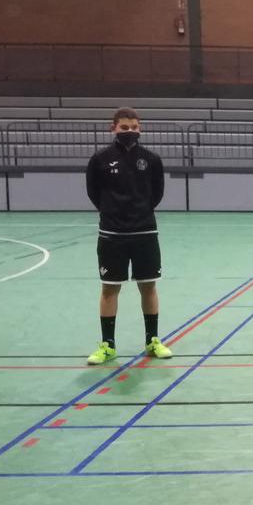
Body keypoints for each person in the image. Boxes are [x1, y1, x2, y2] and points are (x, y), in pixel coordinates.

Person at [84, 107, 172, 365]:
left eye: (134, 127)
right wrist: (113, 212)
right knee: (110, 289)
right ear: (113, 128)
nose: (130, 132)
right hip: (112, 233)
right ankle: (107, 345)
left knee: (148, 286)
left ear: (140, 129)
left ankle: (152, 341)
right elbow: (93, 192)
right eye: (124, 128)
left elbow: (157, 194)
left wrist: (140, 212)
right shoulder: (100, 159)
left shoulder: (152, 159)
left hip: (145, 231)